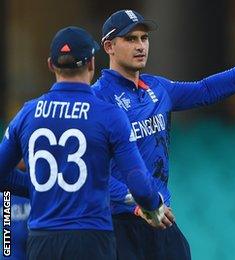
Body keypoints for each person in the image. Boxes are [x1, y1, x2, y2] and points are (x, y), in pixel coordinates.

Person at [92, 9, 235, 259]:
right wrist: (139, 203)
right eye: (131, 39)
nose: (141, 46)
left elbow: (206, 89)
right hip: (119, 225)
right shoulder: (96, 100)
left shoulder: (158, 88)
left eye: (144, 38)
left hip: (161, 222)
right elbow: (92, 175)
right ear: (109, 46)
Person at [0, 26, 168, 259]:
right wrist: (153, 204)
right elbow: (137, 179)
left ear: (51, 65)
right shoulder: (108, 115)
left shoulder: (28, 113)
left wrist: (38, 186)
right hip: (91, 238)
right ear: (91, 63)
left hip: (42, 240)